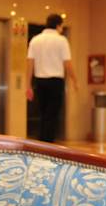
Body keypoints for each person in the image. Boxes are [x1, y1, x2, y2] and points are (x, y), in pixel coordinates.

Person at [26, 14, 78, 143]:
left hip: (40, 82)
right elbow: (67, 63)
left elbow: (30, 63)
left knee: (43, 114)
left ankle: (41, 143)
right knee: (52, 115)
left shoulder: (35, 40)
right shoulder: (61, 40)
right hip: (55, 82)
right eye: (61, 26)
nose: (62, 29)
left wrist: (28, 85)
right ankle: (48, 143)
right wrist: (74, 80)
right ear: (58, 25)